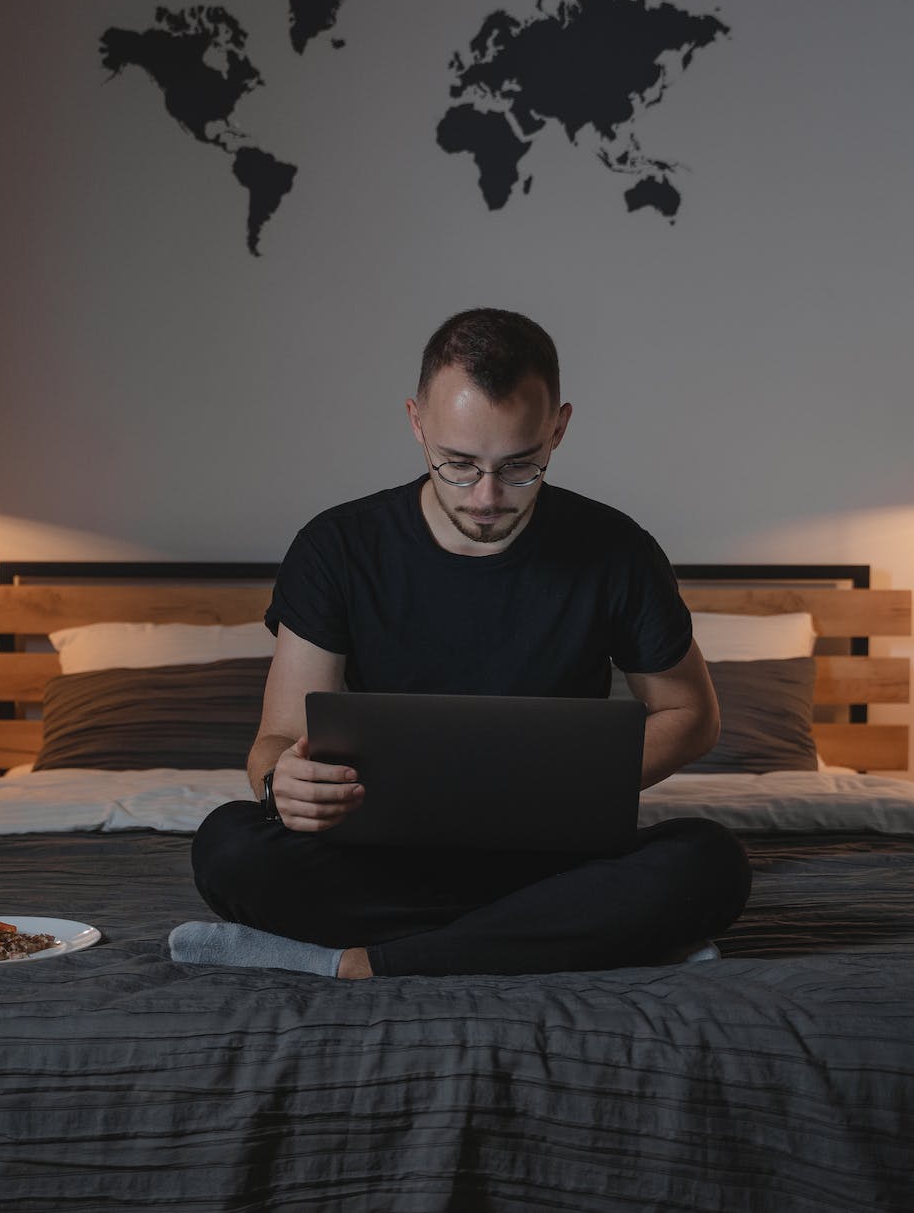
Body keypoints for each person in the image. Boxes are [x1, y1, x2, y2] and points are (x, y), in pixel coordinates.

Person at [169, 307, 751, 978]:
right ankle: (550, 938)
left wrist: (569, 790)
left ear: (558, 428)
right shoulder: (337, 548)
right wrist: (282, 785)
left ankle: (369, 961)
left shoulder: (617, 550)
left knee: (712, 861)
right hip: (384, 862)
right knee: (227, 844)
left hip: (555, 859)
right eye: (458, 464)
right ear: (417, 423)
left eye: (519, 465)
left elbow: (693, 715)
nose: (486, 496)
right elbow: (274, 740)